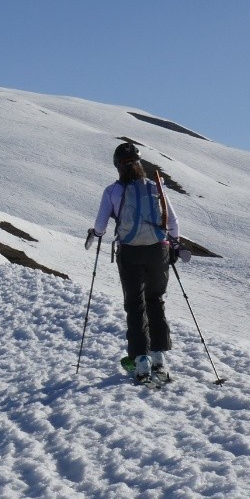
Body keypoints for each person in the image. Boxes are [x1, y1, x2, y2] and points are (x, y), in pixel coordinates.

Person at [87, 142, 179, 383]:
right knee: (155, 300)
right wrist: (175, 245)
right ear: (139, 164)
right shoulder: (155, 186)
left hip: (130, 252)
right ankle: (159, 357)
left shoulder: (112, 191)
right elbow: (173, 223)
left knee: (135, 304)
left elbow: (100, 226)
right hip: (158, 250)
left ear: (118, 166)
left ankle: (141, 361)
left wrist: (94, 235)